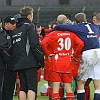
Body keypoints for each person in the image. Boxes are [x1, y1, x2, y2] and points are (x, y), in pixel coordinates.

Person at [53, 12, 100, 100]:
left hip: (87, 52)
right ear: (86, 19)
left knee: (80, 83)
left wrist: (55, 27)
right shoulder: (93, 26)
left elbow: (61, 26)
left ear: (76, 21)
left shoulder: (78, 27)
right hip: (98, 52)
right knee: (97, 84)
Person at [41, 14, 84, 100]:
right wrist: (74, 55)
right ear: (66, 22)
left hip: (56, 62)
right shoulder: (71, 34)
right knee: (68, 87)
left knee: (55, 88)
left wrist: (48, 54)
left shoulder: (53, 34)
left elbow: (43, 43)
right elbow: (81, 44)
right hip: (67, 62)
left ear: (57, 23)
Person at [12, 6, 44, 100]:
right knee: (31, 87)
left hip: (18, 61)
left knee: (23, 87)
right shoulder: (30, 26)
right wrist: (41, 59)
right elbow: (34, 45)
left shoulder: (16, 28)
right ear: (29, 16)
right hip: (29, 61)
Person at [0, 15, 16, 100]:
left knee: (10, 90)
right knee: (3, 89)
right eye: (11, 23)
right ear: (6, 24)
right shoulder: (2, 34)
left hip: (11, 68)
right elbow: (3, 49)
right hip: (4, 68)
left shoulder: (14, 33)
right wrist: (9, 61)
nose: (14, 25)